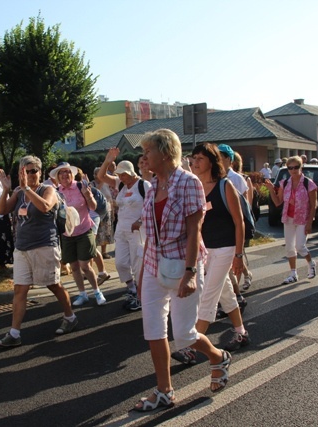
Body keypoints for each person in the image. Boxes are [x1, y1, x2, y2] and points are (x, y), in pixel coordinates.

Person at [132, 129, 230, 412]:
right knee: (153, 329)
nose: (144, 156)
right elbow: (152, 233)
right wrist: (141, 275)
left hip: (182, 265)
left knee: (185, 335)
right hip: (153, 265)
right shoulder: (152, 184)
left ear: (164, 152)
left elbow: (194, 230)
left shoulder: (188, 183)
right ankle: (164, 391)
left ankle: (217, 356)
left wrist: (189, 273)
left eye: (148, 151)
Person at [0, 155, 77, 347]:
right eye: (25, 171)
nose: (29, 175)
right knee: (20, 290)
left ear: (40, 172)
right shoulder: (18, 191)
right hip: (22, 248)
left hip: (44, 245)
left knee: (53, 284)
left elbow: (45, 206)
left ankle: (71, 317)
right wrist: (6, 189)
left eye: (33, 171)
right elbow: (1, 210)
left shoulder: (48, 189)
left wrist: (27, 188)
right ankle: (14, 334)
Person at [189, 143, 250, 355]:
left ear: (211, 162)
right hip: (205, 250)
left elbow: (239, 221)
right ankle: (241, 331)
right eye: (193, 158)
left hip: (226, 248)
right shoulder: (195, 185)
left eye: (200, 159)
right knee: (224, 292)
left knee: (208, 295)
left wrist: (239, 254)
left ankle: (192, 347)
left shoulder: (225, 186)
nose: (195, 162)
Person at [98, 149, 152, 311]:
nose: (121, 177)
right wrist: (107, 160)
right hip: (121, 229)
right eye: (119, 174)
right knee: (120, 263)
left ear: (131, 172)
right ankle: (131, 289)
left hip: (138, 231)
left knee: (137, 264)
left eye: (123, 174)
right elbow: (101, 177)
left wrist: (141, 220)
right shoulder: (121, 184)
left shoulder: (144, 185)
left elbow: (151, 206)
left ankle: (141, 296)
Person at [50, 162, 107, 306]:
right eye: (61, 173)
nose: (64, 175)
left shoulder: (81, 186)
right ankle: (82, 294)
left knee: (85, 265)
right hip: (67, 234)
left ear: (72, 174)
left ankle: (97, 292)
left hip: (84, 230)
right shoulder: (55, 191)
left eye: (67, 172)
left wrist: (88, 195)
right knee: (74, 267)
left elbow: (93, 207)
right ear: (57, 176)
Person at [265, 156, 318, 284]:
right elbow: (278, 202)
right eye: (290, 168)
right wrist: (271, 190)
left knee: (300, 246)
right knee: (289, 247)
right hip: (288, 218)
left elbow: (313, 204)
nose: (293, 170)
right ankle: (293, 273)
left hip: (302, 219)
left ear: (301, 167)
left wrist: (310, 222)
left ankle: (311, 263)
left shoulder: (308, 183)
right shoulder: (285, 183)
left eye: (296, 167)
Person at [217, 144, 251, 302]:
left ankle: (234, 296)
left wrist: (243, 225)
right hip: (221, 227)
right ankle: (241, 281)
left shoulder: (236, 178)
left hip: (235, 225)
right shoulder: (215, 176)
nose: (218, 159)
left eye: (221, 156)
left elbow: (245, 203)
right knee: (229, 262)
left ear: (228, 159)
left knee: (235, 258)